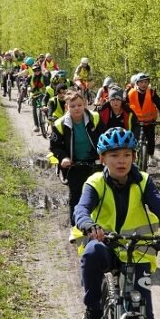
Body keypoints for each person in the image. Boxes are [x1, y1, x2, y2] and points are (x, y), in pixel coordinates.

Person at [71, 127, 160, 319]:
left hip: (136, 250)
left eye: (127, 155)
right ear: (103, 158)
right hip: (106, 245)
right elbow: (81, 209)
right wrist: (89, 225)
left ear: (134, 156)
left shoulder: (144, 181)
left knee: (145, 316)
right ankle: (93, 313)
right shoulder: (95, 182)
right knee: (92, 253)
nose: (121, 161)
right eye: (114, 155)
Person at [50, 90, 103, 226]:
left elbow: (104, 138)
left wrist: (105, 154)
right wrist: (63, 158)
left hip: (95, 162)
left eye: (79, 105)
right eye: (72, 106)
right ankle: (76, 226)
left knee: (100, 193)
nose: (76, 108)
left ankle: (100, 224)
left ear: (85, 104)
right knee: (76, 196)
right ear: (66, 107)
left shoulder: (95, 118)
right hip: (74, 165)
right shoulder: (60, 125)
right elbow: (55, 147)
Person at [127, 73, 160, 167]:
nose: (144, 84)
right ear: (137, 83)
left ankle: (151, 157)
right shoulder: (131, 93)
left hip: (149, 121)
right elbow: (124, 105)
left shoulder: (151, 92)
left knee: (151, 139)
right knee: (132, 139)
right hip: (135, 121)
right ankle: (131, 157)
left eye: (146, 82)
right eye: (141, 82)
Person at [28, 64, 47, 132]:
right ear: (33, 71)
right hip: (34, 95)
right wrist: (26, 86)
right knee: (34, 109)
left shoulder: (44, 77)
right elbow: (26, 83)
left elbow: (48, 85)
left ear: (40, 70)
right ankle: (36, 125)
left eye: (38, 70)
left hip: (42, 94)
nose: (37, 71)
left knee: (42, 106)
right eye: (35, 70)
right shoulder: (30, 77)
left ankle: (47, 122)